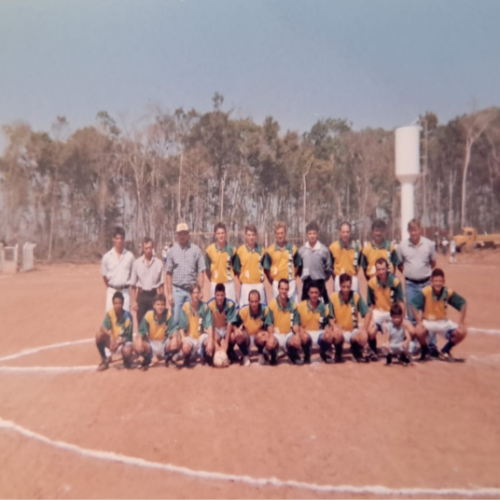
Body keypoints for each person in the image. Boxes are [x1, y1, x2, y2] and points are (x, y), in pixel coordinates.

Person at [411, 268, 467, 362]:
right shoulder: (427, 291)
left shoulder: (447, 292)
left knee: (462, 332)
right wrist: (419, 321)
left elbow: (463, 304)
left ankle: (446, 350)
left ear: (444, 281)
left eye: (440, 281)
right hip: (428, 322)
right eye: (435, 281)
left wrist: (461, 322)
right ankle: (425, 351)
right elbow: (413, 304)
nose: (438, 283)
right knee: (418, 330)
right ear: (431, 281)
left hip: (443, 322)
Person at [367, 258, 411, 361]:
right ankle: (373, 351)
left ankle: (400, 350)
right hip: (378, 312)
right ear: (376, 270)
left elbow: (400, 301)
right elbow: (370, 304)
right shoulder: (372, 282)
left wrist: (402, 318)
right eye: (379, 269)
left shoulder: (395, 281)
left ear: (387, 269)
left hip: (393, 312)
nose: (381, 272)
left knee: (410, 330)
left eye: (383, 269)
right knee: (371, 331)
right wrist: (372, 320)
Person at [165, 223, 206, 324]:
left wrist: (199, 290)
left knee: (192, 319)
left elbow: (201, 271)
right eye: (180, 233)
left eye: (184, 233)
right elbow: (168, 273)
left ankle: (189, 339)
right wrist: (170, 294)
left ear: (188, 234)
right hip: (177, 290)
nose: (182, 236)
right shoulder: (172, 251)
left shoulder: (196, 250)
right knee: (176, 320)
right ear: (177, 235)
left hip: (191, 291)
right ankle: (177, 339)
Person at [329, 274, 371, 362]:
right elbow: (329, 316)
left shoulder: (356, 296)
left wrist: (364, 329)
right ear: (340, 286)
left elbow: (367, 313)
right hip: (340, 331)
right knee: (336, 335)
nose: (346, 289)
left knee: (363, 337)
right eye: (343, 286)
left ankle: (356, 350)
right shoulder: (333, 297)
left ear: (351, 285)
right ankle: (338, 351)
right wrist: (334, 327)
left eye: (348, 286)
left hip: (353, 331)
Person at [296, 281, 339, 364]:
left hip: (319, 333)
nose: (314, 295)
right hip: (306, 334)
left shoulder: (323, 307)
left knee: (329, 334)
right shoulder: (301, 306)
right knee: (302, 336)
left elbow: (327, 324)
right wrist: (301, 330)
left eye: (316, 293)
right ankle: (306, 354)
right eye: (312, 292)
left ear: (319, 294)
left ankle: (324, 353)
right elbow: (297, 323)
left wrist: (328, 332)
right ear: (308, 293)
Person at [264, 279, 304, 364]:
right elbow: (269, 324)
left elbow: (296, 324)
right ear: (278, 289)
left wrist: (297, 335)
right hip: (276, 335)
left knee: (297, 341)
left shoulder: (293, 305)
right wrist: (271, 336)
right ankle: (274, 354)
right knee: (270, 344)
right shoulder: (272, 304)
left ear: (288, 290)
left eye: (286, 289)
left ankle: (292, 353)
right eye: (282, 289)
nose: (284, 291)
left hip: (288, 335)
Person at [138, 294, 180, 370]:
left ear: (165, 305)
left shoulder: (168, 314)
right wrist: (139, 341)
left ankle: (169, 357)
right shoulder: (148, 315)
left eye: (162, 304)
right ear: (154, 305)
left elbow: (174, 329)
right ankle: (149, 358)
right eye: (158, 304)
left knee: (178, 340)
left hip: (163, 344)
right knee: (136, 342)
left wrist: (174, 338)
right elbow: (141, 331)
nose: (160, 307)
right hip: (151, 343)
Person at [130, 237, 165, 328]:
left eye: (150, 248)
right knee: (141, 324)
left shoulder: (159, 263)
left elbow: (161, 285)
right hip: (141, 295)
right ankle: (142, 341)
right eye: (146, 248)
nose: (148, 250)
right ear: (143, 249)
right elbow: (133, 285)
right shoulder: (137, 263)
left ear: (153, 248)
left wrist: (162, 301)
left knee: (154, 324)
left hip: (154, 295)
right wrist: (134, 301)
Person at [264, 221, 302, 303]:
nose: (280, 235)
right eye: (278, 233)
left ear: (285, 233)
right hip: (277, 283)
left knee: (292, 307)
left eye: (282, 233)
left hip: (290, 282)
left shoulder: (293, 248)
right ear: (275, 235)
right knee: (277, 308)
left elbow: (298, 265)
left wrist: (292, 276)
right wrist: (273, 281)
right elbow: (266, 268)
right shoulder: (270, 250)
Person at [95, 291, 134, 371]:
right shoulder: (110, 313)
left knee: (127, 351)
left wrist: (118, 344)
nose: (117, 305)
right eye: (115, 303)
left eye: (119, 303)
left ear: (123, 304)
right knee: (99, 335)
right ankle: (104, 360)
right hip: (113, 342)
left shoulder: (128, 317)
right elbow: (102, 328)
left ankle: (126, 360)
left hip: (122, 343)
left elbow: (128, 338)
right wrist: (111, 336)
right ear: (113, 303)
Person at [177, 283, 214, 366]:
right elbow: (181, 327)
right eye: (194, 293)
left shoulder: (205, 307)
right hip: (190, 337)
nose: (196, 295)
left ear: (200, 294)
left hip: (201, 337)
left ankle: (204, 355)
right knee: (185, 347)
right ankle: (189, 356)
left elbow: (209, 325)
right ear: (190, 294)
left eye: (197, 292)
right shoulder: (185, 307)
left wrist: (211, 340)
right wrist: (183, 339)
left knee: (210, 343)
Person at [231, 289, 270, 366]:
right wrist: (236, 330)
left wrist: (266, 333)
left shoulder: (265, 310)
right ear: (249, 301)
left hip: (258, 337)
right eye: (252, 301)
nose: (254, 304)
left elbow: (269, 325)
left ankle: (261, 353)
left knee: (264, 335)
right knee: (237, 335)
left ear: (259, 300)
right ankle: (245, 354)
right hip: (247, 337)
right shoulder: (243, 311)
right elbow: (233, 323)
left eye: (256, 301)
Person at [101, 226, 135, 312]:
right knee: (110, 319)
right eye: (117, 238)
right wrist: (111, 287)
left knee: (126, 320)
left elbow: (132, 275)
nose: (119, 241)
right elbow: (104, 276)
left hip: (125, 292)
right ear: (113, 239)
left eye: (121, 238)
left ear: (124, 240)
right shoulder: (107, 257)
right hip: (112, 291)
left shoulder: (130, 256)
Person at [298, 221, 332, 303]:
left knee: (324, 308)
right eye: (310, 233)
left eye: (314, 233)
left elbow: (328, 268)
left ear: (317, 234)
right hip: (306, 284)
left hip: (320, 283)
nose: (312, 236)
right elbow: (299, 268)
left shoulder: (324, 250)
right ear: (307, 235)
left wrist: (322, 279)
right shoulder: (302, 250)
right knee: (305, 309)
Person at [234, 224, 267, 306]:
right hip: (246, 285)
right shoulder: (240, 251)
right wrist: (244, 279)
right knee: (245, 311)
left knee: (260, 310)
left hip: (258, 284)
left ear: (256, 235)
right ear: (245, 236)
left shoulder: (262, 250)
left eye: (253, 235)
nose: (251, 237)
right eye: (249, 235)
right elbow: (237, 270)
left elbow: (265, 268)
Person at [207, 283, 239, 364]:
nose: (220, 298)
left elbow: (229, 324)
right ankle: (214, 352)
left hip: (225, 329)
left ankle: (229, 350)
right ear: (214, 295)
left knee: (233, 336)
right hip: (215, 329)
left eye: (222, 295)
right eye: (218, 295)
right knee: (214, 338)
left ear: (225, 295)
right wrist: (216, 344)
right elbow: (208, 325)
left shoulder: (230, 304)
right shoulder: (210, 305)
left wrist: (226, 344)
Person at [205, 222, 238, 302]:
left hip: (229, 284)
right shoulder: (209, 250)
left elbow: (236, 268)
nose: (221, 235)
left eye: (223, 233)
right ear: (215, 235)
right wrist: (214, 278)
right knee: (215, 309)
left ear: (225, 234)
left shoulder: (232, 249)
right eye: (219, 233)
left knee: (230, 308)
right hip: (215, 283)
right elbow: (207, 269)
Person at [329, 221, 362, 292]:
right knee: (338, 301)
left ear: (350, 233)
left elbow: (359, 264)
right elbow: (330, 266)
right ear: (339, 233)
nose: (345, 234)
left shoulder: (357, 247)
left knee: (354, 301)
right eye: (343, 232)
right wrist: (336, 278)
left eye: (347, 232)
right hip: (339, 278)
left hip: (352, 278)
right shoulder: (333, 247)